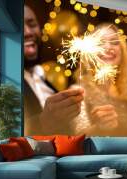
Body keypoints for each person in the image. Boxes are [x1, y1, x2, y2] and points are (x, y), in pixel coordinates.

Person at [24, 5, 84, 135]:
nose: (28, 32)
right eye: (19, 25)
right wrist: (43, 122)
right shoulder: (4, 78)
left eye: (32, 24)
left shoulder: (42, 77)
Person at [71, 23, 127, 136]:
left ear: (122, 51)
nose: (108, 47)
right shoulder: (79, 92)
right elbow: (78, 139)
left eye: (114, 42)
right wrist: (99, 128)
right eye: (101, 43)